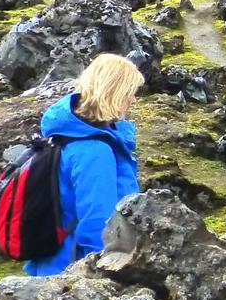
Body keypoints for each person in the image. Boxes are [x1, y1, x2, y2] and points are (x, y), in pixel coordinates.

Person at [25, 54, 142, 276]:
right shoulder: (94, 151)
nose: (133, 100)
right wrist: (105, 275)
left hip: (53, 265)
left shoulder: (69, 138)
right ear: (113, 92)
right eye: (129, 92)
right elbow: (98, 222)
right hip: (72, 272)